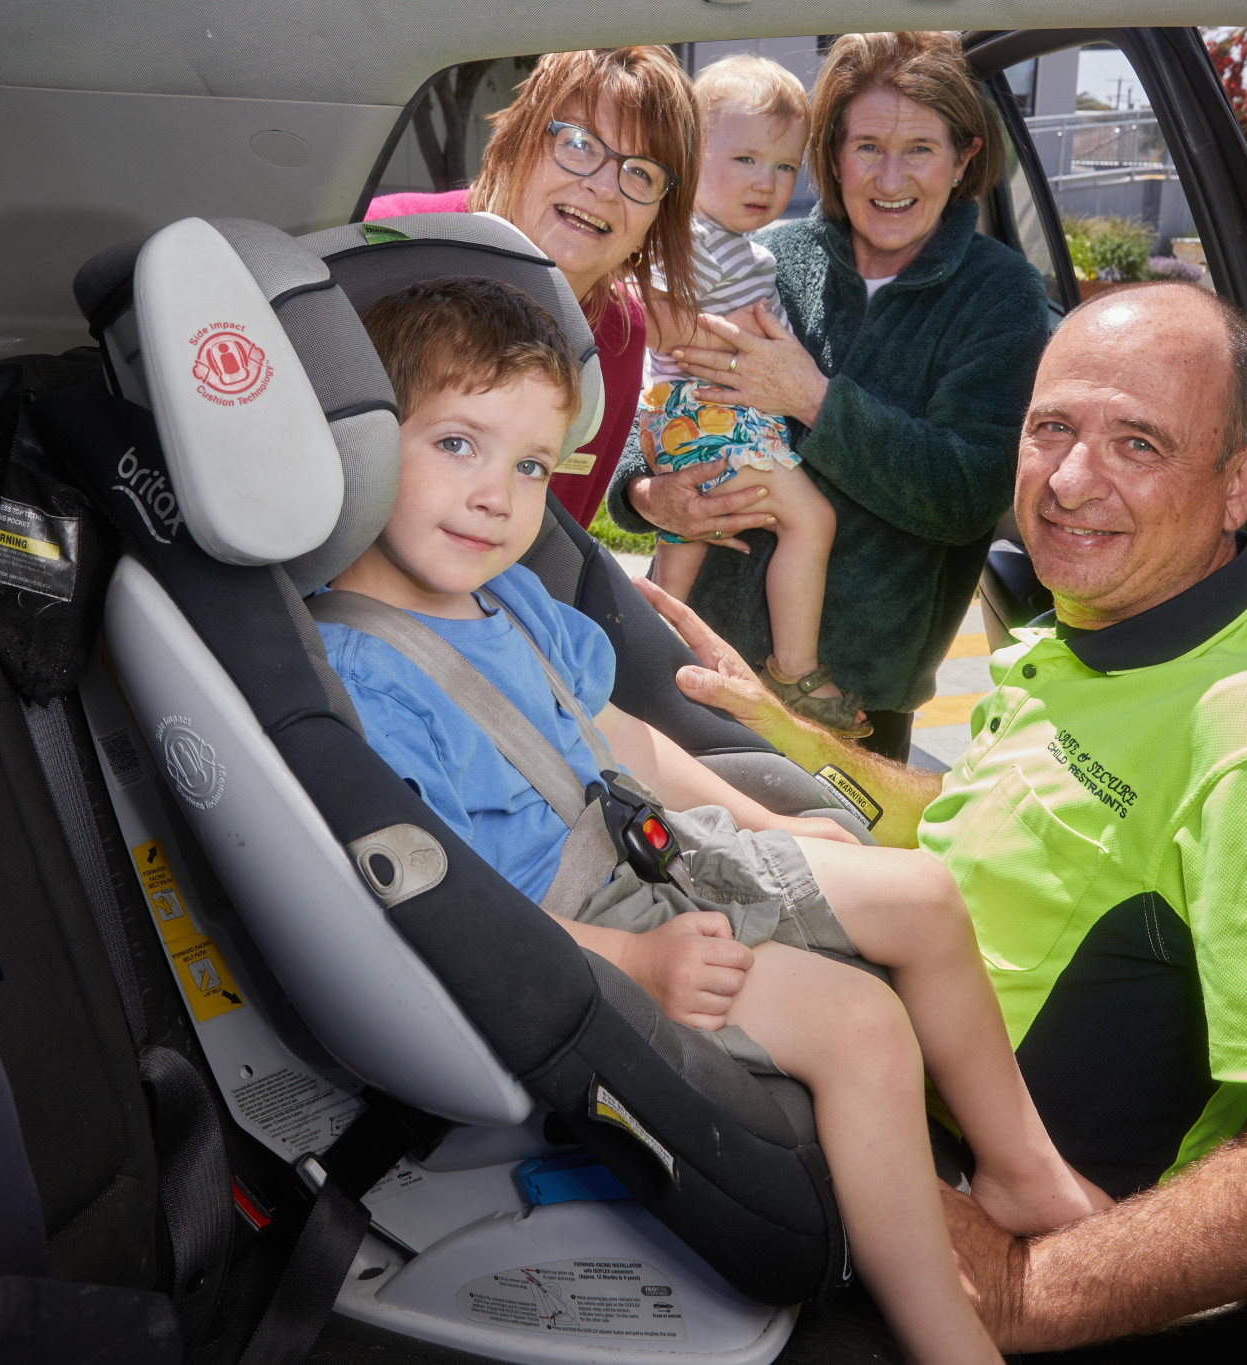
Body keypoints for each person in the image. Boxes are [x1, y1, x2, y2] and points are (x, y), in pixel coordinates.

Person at [637, 280, 1247, 1349]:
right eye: (1051, 429)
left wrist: (1038, 1290)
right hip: (874, 1097)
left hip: (959, 1205)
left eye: (1139, 446)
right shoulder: (1097, 629)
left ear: (1238, 483)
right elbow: (986, 823)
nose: (1070, 484)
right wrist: (784, 727)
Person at [317, 277, 1107, 1365]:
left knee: (920, 890)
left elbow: (606, 737)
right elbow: (445, 908)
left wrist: (768, 830)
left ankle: (1018, 1167)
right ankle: (949, 1339)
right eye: (456, 444)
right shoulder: (361, 674)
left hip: (653, 853)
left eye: (531, 466)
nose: (498, 497)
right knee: (861, 1026)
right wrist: (632, 963)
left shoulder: (507, 596)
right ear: (361, 445)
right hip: (568, 932)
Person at [608, 31, 1052, 762]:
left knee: (831, 869)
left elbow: (969, 492)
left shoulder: (998, 293)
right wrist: (647, 491)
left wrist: (815, 399)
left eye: (919, 149)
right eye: (866, 145)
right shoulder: (764, 254)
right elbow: (655, 382)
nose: (889, 176)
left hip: (851, 692)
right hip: (700, 654)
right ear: (833, 153)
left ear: (964, 156)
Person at [366, 48, 697, 528]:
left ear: (654, 223)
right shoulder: (387, 240)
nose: (605, 187)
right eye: (580, 143)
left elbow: (555, 541)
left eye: (641, 173)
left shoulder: (620, 336)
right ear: (517, 139)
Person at [636, 56, 866, 736]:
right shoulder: (690, 236)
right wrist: (729, 336)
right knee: (811, 521)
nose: (767, 183)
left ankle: (645, 659)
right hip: (711, 414)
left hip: (689, 421)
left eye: (785, 167)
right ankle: (794, 670)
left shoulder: (735, 245)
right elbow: (655, 316)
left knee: (683, 551)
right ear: (690, 154)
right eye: (745, 159)